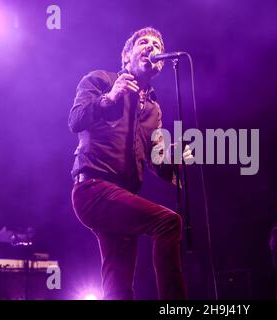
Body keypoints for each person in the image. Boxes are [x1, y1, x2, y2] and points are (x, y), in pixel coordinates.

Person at [68, 27, 192, 300]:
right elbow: (75, 121)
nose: (152, 46)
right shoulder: (100, 79)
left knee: (118, 281)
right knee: (168, 222)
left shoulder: (154, 110)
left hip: (122, 197)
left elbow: (156, 163)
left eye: (157, 44)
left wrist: (174, 158)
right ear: (126, 57)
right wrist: (109, 98)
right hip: (93, 188)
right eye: (144, 42)